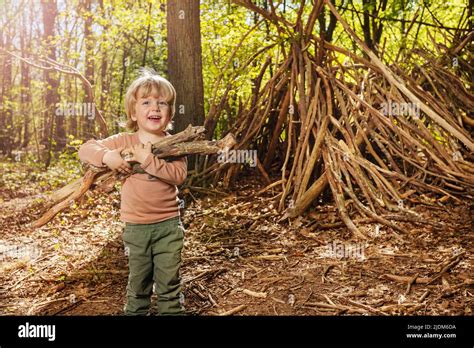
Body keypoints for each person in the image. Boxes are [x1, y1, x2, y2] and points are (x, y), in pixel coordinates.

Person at [78, 68, 187, 315]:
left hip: (169, 225)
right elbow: (85, 149)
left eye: (162, 103)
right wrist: (107, 156)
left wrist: (148, 160)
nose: (155, 108)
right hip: (136, 227)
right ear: (133, 112)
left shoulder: (175, 144)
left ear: (170, 112)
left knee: (169, 281)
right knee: (139, 281)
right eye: (146, 102)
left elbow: (179, 176)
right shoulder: (124, 141)